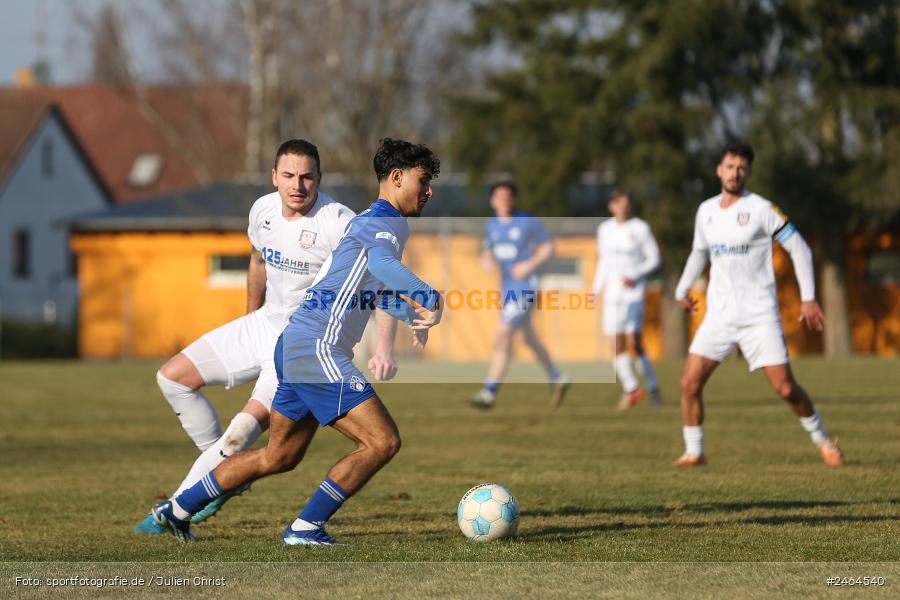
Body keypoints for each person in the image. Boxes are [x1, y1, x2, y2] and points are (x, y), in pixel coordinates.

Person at [151, 138, 444, 544]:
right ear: (397, 177)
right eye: (423, 181)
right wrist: (431, 298)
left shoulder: (363, 221)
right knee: (382, 441)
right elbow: (380, 264)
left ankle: (177, 508)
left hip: (295, 344)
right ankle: (306, 527)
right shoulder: (386, 224)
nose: (428, 191)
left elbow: (362, 286)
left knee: (279, 456)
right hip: (317, 349)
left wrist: (407, 312)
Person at [673, 141, 844, 467]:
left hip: (759, 315)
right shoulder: (705, 211)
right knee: (689, 382)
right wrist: (682, 290)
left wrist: (808, 298)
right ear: (718, 170)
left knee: (785, 389)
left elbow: (800, 248)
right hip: (720, 316)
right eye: (730, 166)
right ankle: (695, 451)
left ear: (748, 173)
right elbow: (699, 252)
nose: (735, 173)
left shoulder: (763, 209)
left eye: (741, 168)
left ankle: (823, 439)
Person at [469, 181, 570, 410]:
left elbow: (549, 247)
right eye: (499, 196)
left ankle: (489, 392)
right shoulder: (492, 225)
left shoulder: (527, 221)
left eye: (508, 196)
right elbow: (489, 250)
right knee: (526, 338)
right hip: (507, 289)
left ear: (514, 199)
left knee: (503, 333)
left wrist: (529, 264)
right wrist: (486, 259)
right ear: (492, 201)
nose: (504, 200)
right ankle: (558, 376)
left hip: (525, 286)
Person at [591, 190, 662, 410]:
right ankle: (632, 389)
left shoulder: (640, 228)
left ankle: (652, 386)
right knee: (615, 345)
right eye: (618, 203)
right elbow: (603, 261)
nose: (623, 207)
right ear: (611, 206)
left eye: (627, 204)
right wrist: (596, 289)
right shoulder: (605, 229)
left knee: (634, 342)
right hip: (612, 295)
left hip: (633, 294)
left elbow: (654, 259)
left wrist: (635, 274)